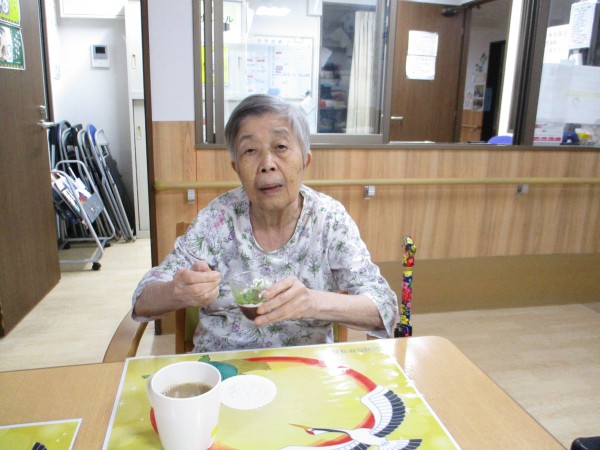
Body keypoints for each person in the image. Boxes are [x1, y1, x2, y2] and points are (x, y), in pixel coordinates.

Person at [132, 94, 398, 352]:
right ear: (236, 168)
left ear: (305, 160)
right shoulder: (217, 219)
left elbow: (384, 308)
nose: (267, 164)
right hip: (223, 368)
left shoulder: (329, 219)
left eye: (280, 147)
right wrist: (176, 291)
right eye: (250, 150)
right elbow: (142, 300)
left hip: (304, 369)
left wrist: (313, 302)